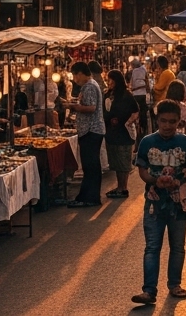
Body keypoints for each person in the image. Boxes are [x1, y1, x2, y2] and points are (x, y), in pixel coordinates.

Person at [131, 100, 186, 305]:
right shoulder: (147, 142)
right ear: (157, 120)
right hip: (154, 203)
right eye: (163, 121)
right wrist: (155, 181)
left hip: (180, 204)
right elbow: (142, 170)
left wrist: (182, 178)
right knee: (152, 247)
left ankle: (175, 285)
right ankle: (149, 291)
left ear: (179, 121)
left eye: (172, 121)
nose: (167, 126)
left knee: (177, 246)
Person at [63, 62, 105, 208]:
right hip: (91, 130)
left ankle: (90, 198)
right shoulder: (90, 85)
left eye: (75, 76)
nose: (75, 79)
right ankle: (86, 196)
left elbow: (91, 107)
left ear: (80, 73)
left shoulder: (89, 86)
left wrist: (72, 106)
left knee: (90, 166)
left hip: (91, 130)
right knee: (91, 166)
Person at [104, 70, 140, 200]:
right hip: (112, 133)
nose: (109, 82)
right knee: (116, 162)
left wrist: (128, 122)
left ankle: (123, 188)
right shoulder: (108, 94)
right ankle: (120, 187)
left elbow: (136, 111)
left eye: (111, 80)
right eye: (109, 80)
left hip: (124, 133)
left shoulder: (126, 95)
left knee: (123, 161)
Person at [129, 57, 153, 137]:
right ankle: (144, 127)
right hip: (143, 93)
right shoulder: (143, 69)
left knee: (136, 110)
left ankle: (137, 127)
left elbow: (132, 83)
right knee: (143, 110)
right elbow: (147, 80)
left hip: (136, 94)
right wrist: (148, 91)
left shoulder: (134, 71)